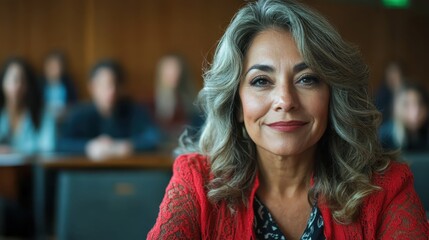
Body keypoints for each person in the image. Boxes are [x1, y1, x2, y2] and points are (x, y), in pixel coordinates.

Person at [147, 0, 429, 239]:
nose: (285, 100)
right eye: (261, 81)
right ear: (236, 103)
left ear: (333, 96)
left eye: (307, 79)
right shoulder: (196, 182)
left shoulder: (386, 187)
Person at [57, 60, 161, 160]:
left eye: (115, 84)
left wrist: (126, 146)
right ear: (92, 87)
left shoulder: (133, 110)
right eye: (105, 85)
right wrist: (88, 146)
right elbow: (61, 144)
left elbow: (153, 138)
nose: (112, 90)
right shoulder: (80, 114)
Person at [0, 57, 55, 154]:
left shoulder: (41, 114)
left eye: (22, 81)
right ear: (2, 83)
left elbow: (48, 149)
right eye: (13, 80)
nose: (17, 86)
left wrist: (12, 152)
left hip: (32, 168)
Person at [150, 53, 203, 150]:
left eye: (176, 70)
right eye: (169, 70)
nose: (174, 74)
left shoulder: (193, 104)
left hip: (187, 150)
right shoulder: (150, 103)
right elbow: (150, 135)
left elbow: (199, 131)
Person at [379, 83, 429, 152]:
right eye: (406, 104)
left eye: (420, 103)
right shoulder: (383, 137)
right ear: (397, 108)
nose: (415, 112)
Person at [40, 51, 77, 119]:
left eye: (58, 66)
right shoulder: (39, 85)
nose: (55, 70)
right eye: (52, 66)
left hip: (65, 119)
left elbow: (74, 105)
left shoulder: (69, 84)